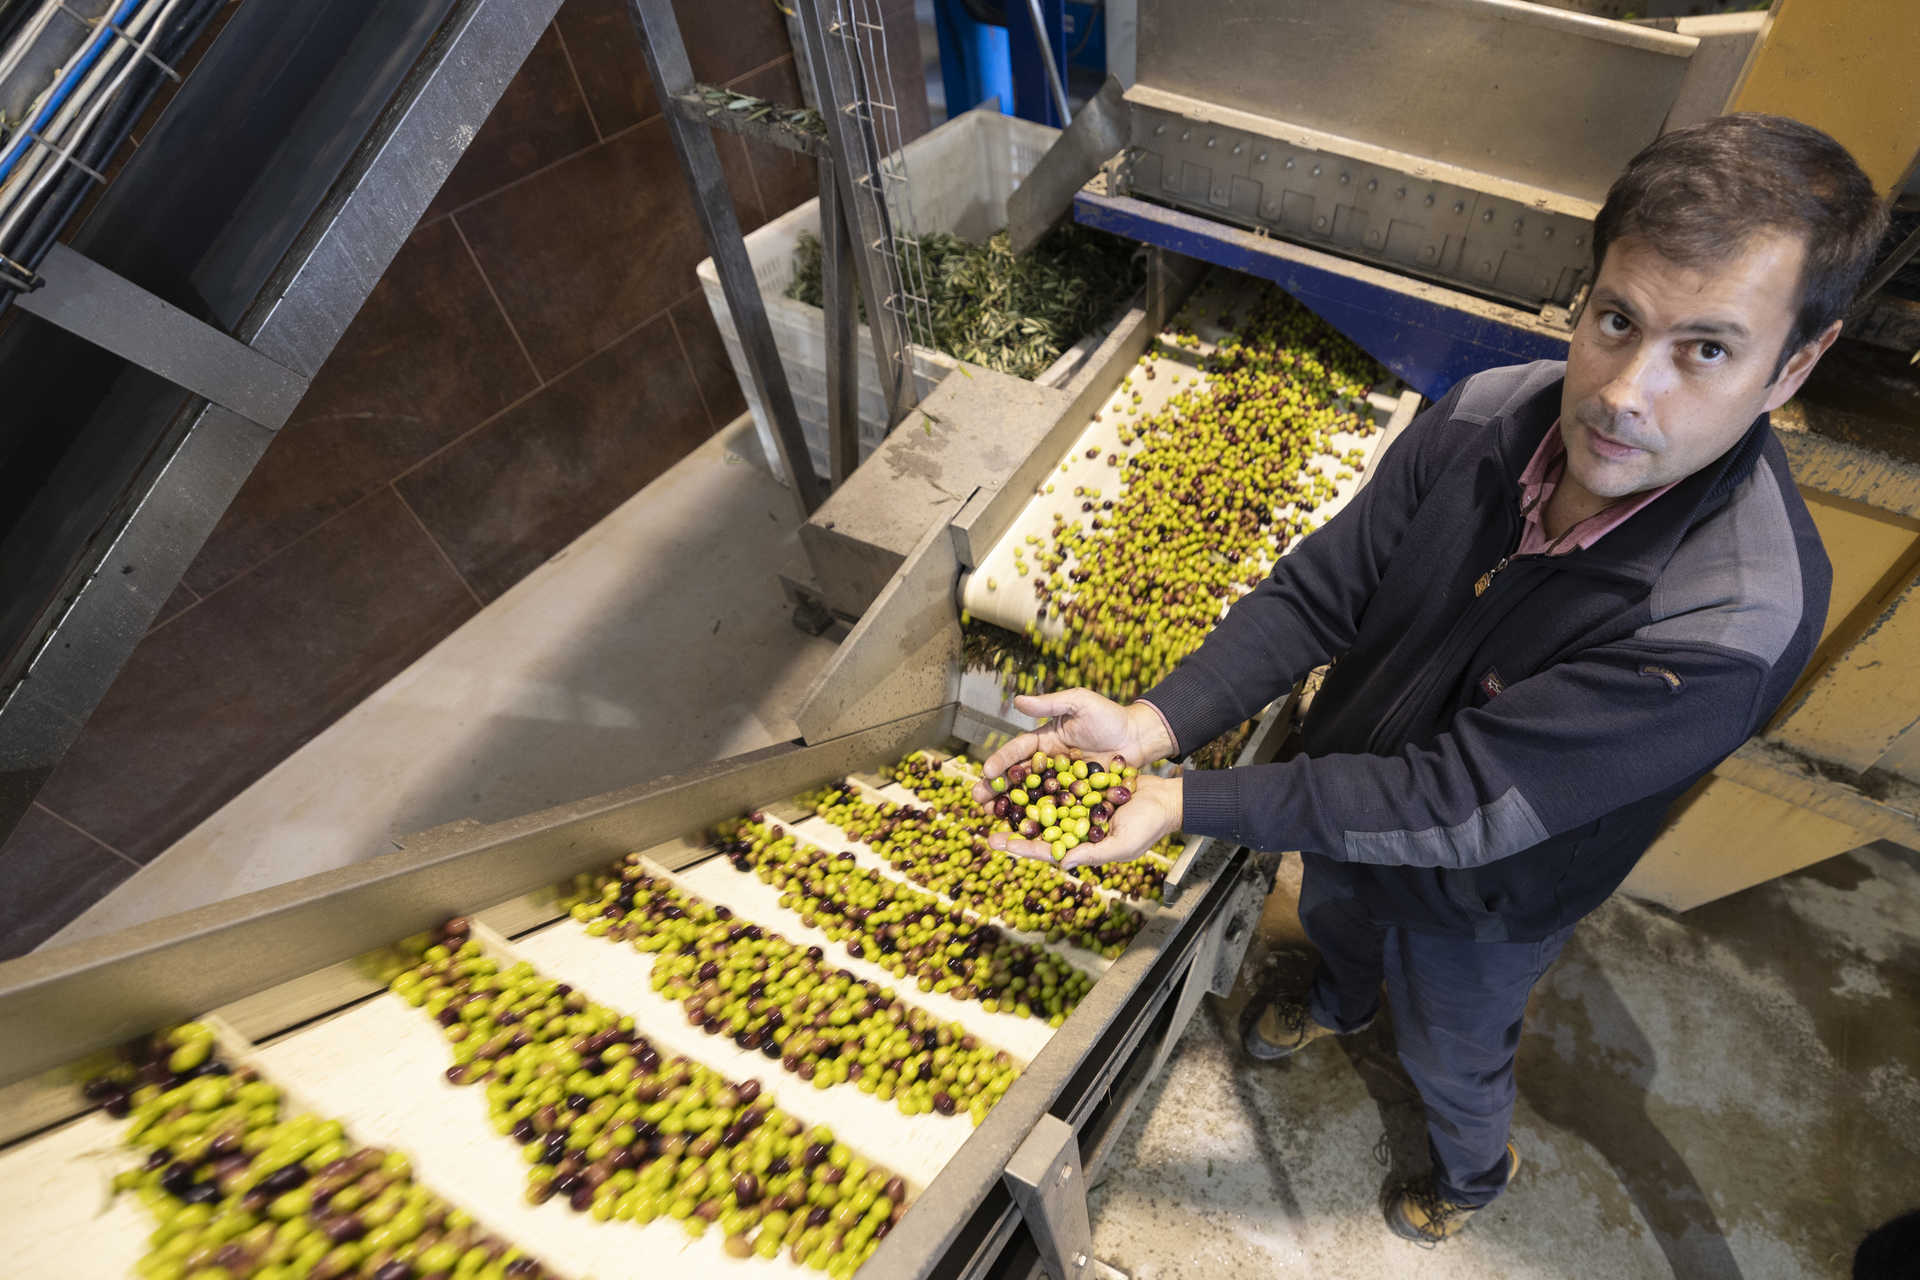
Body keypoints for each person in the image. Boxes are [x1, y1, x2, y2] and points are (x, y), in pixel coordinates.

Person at [971, 113, 1888, 1243]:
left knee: (1453, 1042)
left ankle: (1468, 1169)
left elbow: (1460, 804)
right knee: (1341, 922)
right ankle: (1337, 996)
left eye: (1706, 349)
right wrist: (1155, 722)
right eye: (1616, 320)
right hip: (1349, 802)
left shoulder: (1731, 617)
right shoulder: (1485, 415)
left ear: (1794, 363)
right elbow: (1323, 592)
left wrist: (1187, 803)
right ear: (1584, 297)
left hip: (1490, 900)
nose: (1623, 392)